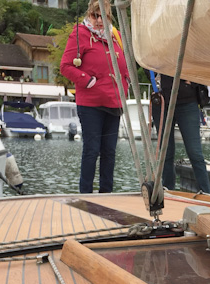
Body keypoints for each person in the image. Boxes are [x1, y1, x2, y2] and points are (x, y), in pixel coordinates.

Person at [60, 0, 129, 193]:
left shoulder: (115, 36)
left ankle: (106, 194)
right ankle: (86, 195)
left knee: (109, 152)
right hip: (90, 104)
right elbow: (65, 66)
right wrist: (88, 80)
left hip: (114, 102)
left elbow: (124, 64)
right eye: (95, 16)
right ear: (89, 15)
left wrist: (127, 80)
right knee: (92, 150)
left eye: (104, 17)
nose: (99, 21)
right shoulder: (79, 34)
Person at [152, 75, 210, 194]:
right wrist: (154, 79)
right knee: (166, 153)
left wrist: (193, 82)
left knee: (195, 153)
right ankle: (167, 193)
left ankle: (207, 194)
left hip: (187, 100)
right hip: (162, 100)